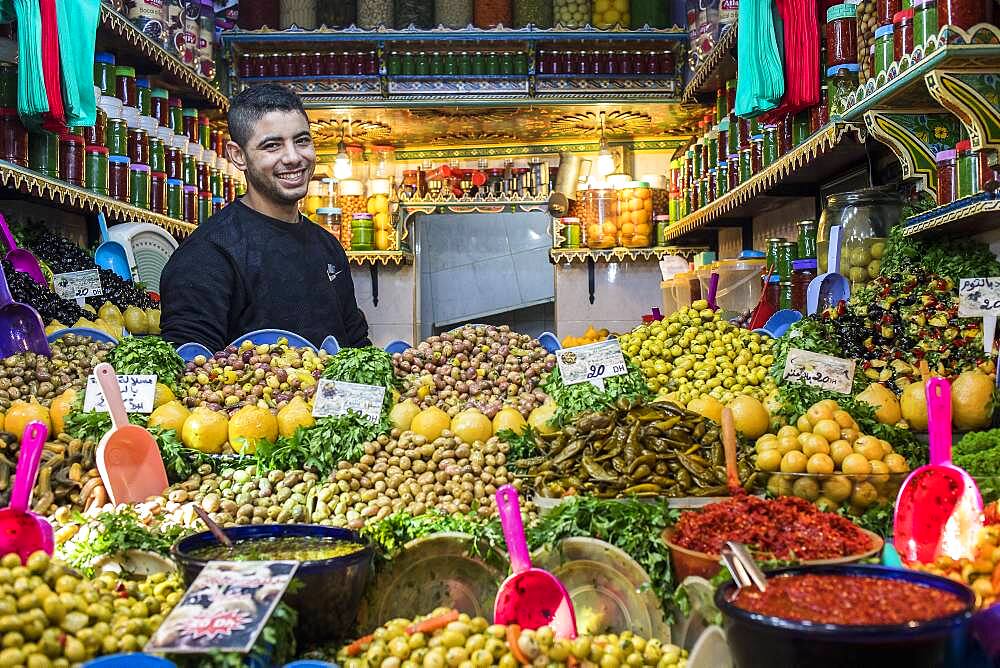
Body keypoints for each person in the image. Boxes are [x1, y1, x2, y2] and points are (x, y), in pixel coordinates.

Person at [160, 84, 370, 352]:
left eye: (302, 140)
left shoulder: (328, 247)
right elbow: (190, 366)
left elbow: (357, 345)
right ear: (238, 156)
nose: (294, 157)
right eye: (272, 146)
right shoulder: (208, 254)